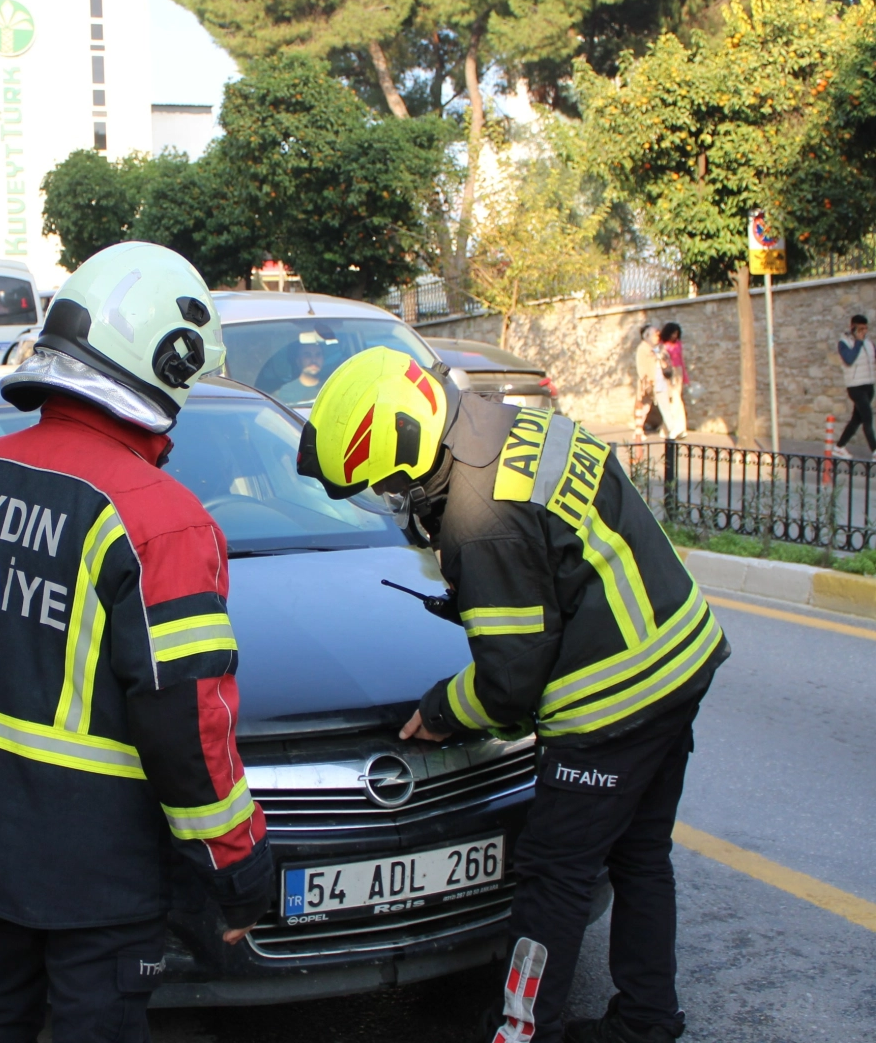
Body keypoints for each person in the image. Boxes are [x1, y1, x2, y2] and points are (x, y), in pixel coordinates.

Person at [297, 348, 728, 1043]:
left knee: (552, 879)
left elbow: (509, 679)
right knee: (642, 856)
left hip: (612, 702)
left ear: (404, 452)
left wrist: (439, 712)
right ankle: (647, 1020)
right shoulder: (508, 426)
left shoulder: (477, 516)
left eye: (383, 486)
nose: (388, 501)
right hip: (679, 659)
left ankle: (520, 1031)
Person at [0, 242, 274, 1042]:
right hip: (98, 873)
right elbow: (186, 730)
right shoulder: (159, 519)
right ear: (163, 365)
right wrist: (239, 869)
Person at [834, 313, 875, 459]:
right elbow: (849, 359)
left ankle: (839, 447)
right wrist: (858, 342)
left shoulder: (869, 343)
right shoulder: (845, 342)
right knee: (867, 418)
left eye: (865, 329)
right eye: (860, 329)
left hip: (869, 385)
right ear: (853, 327)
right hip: (855, 386)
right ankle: (875, 450)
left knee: (856, 419)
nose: (863, 332)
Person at [630, 325, 664, 443]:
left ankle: (640, 429)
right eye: (655, 335)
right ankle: (638, 430)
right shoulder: (643, 348)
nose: (657, 337)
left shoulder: (654, 349)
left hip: (653, 380)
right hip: (646, 381)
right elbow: (641, 366)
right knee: (642, 404)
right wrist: (646, 379)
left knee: (647, 405)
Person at [655, 323, 687, 440]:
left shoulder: (678, 344)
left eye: (676, 334)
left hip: (677, 372)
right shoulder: (662, 346)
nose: (675, 336)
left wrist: (685, 376)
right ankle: (672, 428)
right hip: (667, 373)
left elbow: (681, 360)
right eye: (673, 333)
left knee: (677, 399)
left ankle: (676, 428)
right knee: (671, 401)